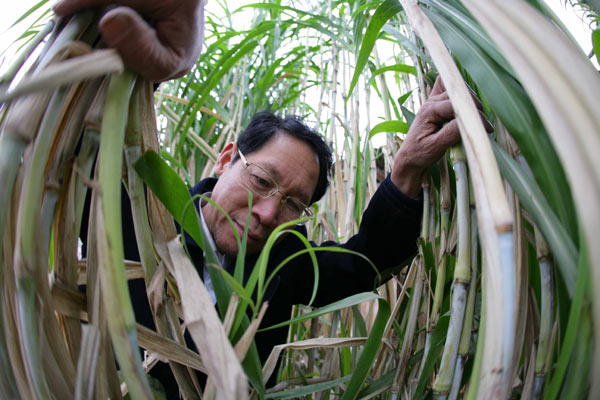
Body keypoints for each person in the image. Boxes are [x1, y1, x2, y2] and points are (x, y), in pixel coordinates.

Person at [59, 0, 491, 397]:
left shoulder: (284, 262)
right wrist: (140, 62)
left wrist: (406, 169)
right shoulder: (140, 214)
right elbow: (79, 147)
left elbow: (368, 261)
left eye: (293, 204)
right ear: (228, 158)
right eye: (263, 180)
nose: (267, 213)